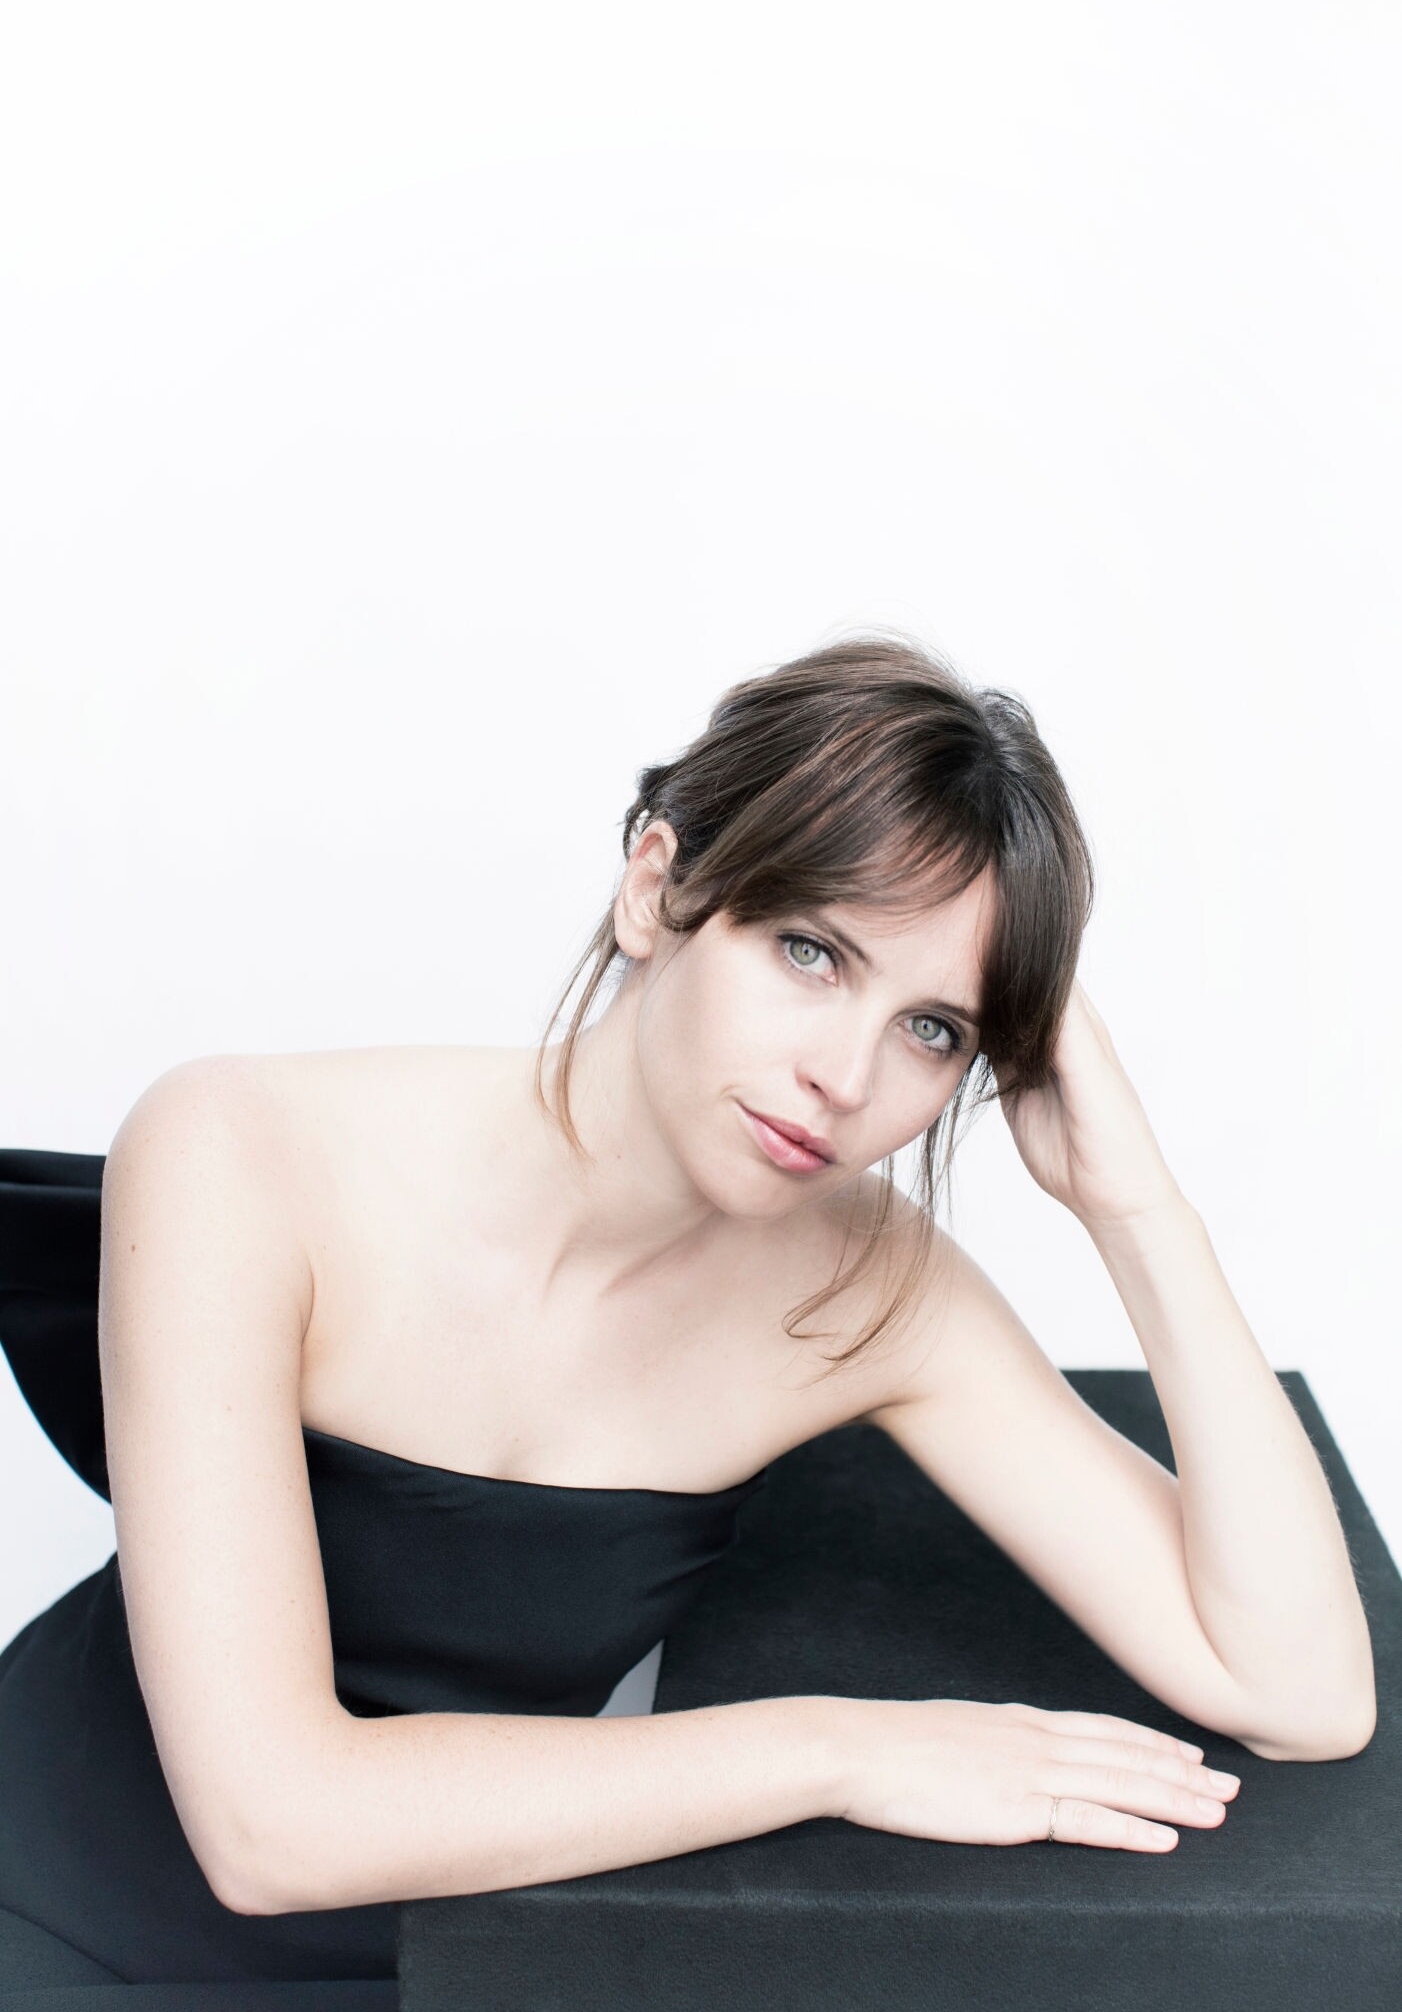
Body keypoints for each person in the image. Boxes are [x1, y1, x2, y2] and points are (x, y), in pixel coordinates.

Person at [0, 629, 1374, 2000]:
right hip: (71, 1914)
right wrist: (844, 1750)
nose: (847, 1077)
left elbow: (1299, 1692)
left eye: (932, 1030)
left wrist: (1136, 1210)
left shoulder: (867, 1293)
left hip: (474, 1959)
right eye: (810, 952)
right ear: (656, 889)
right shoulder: (238, 1154)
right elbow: (271, 1829)